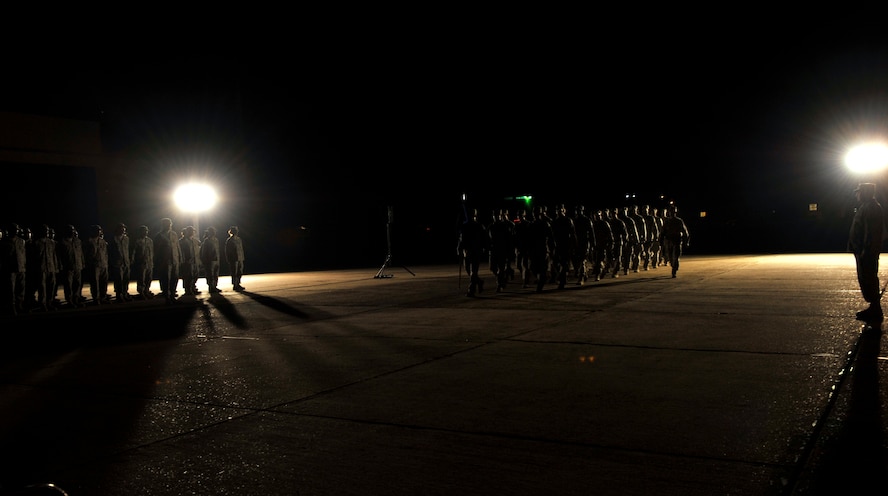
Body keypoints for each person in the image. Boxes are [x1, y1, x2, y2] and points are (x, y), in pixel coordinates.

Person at [848, 182, 884, 322]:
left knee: (869, 278)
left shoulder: (871, 208)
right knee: (866, 278)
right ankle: (874, 308)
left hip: (867, 251)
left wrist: (866, 250)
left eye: (859, 192)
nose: (857, 194)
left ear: (865, 192)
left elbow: (871, 232)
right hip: (863, 250)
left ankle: (875, 310)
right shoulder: (867, 207)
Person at [457, 209, 487, 297]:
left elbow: (484, 239)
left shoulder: (479, 226)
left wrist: (484, 248)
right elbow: (461, 239)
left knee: (473, 272)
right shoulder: (465, 226)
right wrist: (459, 249)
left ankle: (471, 290)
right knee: (468, 270)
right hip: (467, 252)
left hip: (476, 251)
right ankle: (479, 281)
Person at [1, 223, 27, 315]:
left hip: (21, 268)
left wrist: (24, 265)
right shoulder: (4, 242)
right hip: (10, 269)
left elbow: (23, 254)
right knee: (11, 290)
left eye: (17, 229)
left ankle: (19, 305)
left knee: (21, 289)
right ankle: (12, 307)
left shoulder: (22, 241)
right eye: (14, 229)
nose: (16, 231)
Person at [154, 217, 183, 302]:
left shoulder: (174, 234)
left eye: (170, 224)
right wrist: (157, 261)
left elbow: (178, 247)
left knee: (175, 277)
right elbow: (156, 250)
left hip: (175, 259)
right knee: (166, 278)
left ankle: (173, 294)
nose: (169, 226)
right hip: (165, 261)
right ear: (163, 225)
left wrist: (180, 257)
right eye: (167, 224)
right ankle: (167, 295)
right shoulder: (159, 236)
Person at [57, 224, 85, 308]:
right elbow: (59, 256)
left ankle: (76, 299)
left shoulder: (77, 241)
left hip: (78, 266)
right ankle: (70, 301)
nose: (72, 232)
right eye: (70, 230)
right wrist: (60, 265)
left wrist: (82, 263)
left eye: (73, 230)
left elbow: (81, 254)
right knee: (68, 285)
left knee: (77, 284)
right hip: (68, 267)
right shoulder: (62, 242)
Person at [83, 224, 110, 305]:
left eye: (100, 230)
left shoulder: (103, 241)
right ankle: (96, 299)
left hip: (103, 264)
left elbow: (105, 253)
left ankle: (103, 297)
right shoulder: (88, 242)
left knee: (104, 282)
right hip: (94, 265)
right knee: (95, 283)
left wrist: (106, 263)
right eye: (97, 230)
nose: (99, 231)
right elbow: (85, 254)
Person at [660, 205, 690, 278]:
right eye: (671, 211)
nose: (672, 213)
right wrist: (661, 240)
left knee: (676, 256)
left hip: (677, 240)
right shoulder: (667, 221)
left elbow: (685, 231)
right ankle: (673, 265)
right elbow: (663, 232)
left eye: (673, 212)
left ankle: (674, 270)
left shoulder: (679, 221)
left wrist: (687, 241)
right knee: (670, 257)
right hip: (669, 240)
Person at [108, 223, 132, 302]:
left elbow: (127, 250)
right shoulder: (113, 239)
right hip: (117, 263)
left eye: (124, 228)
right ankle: (119, 295)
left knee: (126, 279)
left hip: (126, 262)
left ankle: (125, 293)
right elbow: (110, 252)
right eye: (121, 228)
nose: (123, 230)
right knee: (118, 280)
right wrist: (112, 262)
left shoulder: (126, 239)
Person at [131, 225, 154, 300]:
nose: (145, 232)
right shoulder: (137, 241)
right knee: (141, 279)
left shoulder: (150, 241)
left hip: (149, 262)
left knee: (149, 278)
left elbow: (152, 251)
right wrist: (133, 259)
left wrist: (152, 260)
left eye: (146, 231)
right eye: (144, 231)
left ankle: (146, 291)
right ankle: (141, 292)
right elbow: (133, 251)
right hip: (141, 262)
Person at [179, 226, 200, 295]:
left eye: (193, 231)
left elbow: (199, 248)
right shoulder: (182, 241)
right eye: (190, 231)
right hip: (187, 262)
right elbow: (181, 252)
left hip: (195, 261)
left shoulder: (195, 241)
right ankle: (188, 289)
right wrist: (183, 260)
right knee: (188, 276)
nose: (192, 233)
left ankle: (193, 287)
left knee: (195, 275)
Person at [200, 226, 221, 293]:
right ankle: (211, 287)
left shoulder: (216, 240)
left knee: (216, 274)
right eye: (213, 232)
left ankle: (215, 286)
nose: (214, 233)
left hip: (216, 260)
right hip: (210, 260)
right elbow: (204, 251)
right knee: (210, 275)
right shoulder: (207, 241)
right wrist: (204, 261)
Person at [225, 225, 246, 292]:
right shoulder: (229, 240)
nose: (237, 232)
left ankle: (238, 283)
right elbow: (227, 251)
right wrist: (229, 259)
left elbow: (241, 249)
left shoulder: (239, 239)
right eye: (235, 231)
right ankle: (235, 285)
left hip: (240, 258)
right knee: (234, 272)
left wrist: (242, 257)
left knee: (240, 271)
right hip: (233, 259)